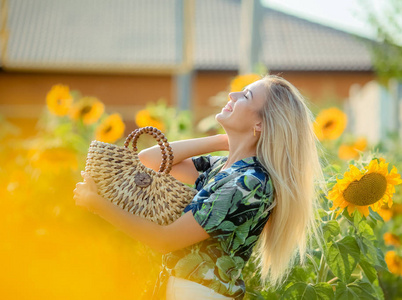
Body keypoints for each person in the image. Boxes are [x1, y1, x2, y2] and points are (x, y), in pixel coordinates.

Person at [73, 75, 325, 300]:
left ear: (259, 125)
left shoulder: (249, 184)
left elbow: (165, 239)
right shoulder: (224, 169)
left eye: (245, 96)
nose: (232, 95)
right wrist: (225, 141)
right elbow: (149, 160)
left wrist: (97, 204)